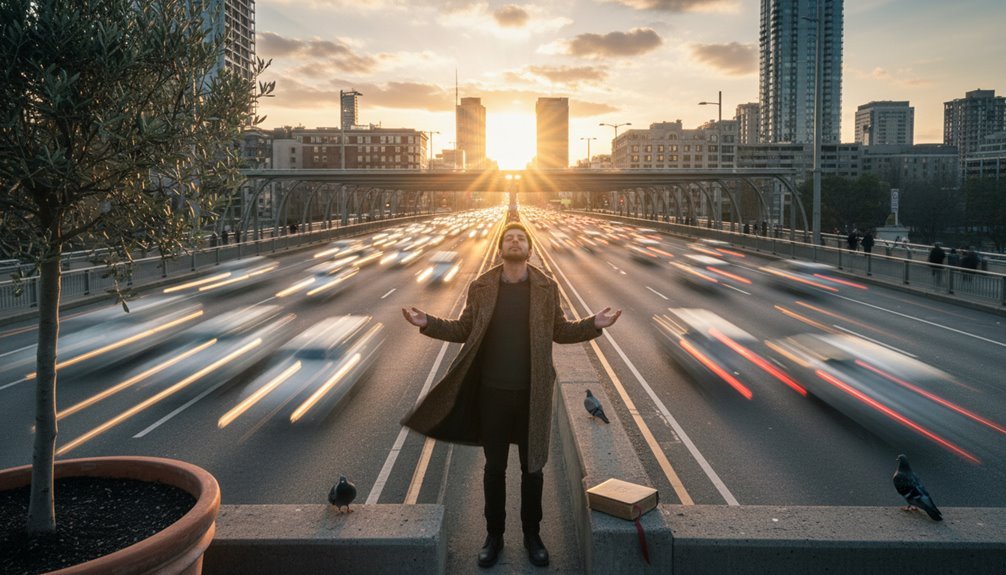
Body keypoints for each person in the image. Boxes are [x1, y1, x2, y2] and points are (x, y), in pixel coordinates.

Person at [400, 221, 621, 569]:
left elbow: (560, 331)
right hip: (492, 395)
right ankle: (494, 536)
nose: (515, 242)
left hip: (532, 394)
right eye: (509, 239)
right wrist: (428, 322)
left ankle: (533, 536)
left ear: (529, 250)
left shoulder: (547, 287)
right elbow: (463, 329)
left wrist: (594, 324)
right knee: (495, 469)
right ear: (501, 248)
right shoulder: (482, 286)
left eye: (521, 239)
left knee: (533, 470)